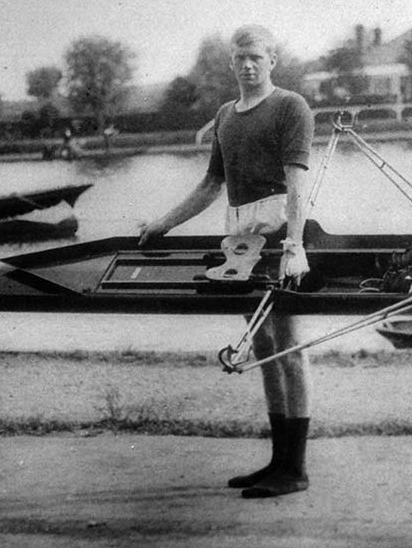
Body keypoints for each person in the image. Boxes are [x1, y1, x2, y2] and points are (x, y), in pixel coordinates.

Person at [139, 24, 314, 499]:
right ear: (232, 63)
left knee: (287, 347)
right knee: (260, 347)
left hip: (279, 233)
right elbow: (210, 186)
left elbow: (299, 185)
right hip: (238, 238)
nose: (248, 65)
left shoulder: (290, 106)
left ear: (272, 59)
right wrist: (162, 223)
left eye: (256, 56)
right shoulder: (224, 115)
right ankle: (277, 462)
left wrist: (295, 248)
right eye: (240, 58)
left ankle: (295, 469)